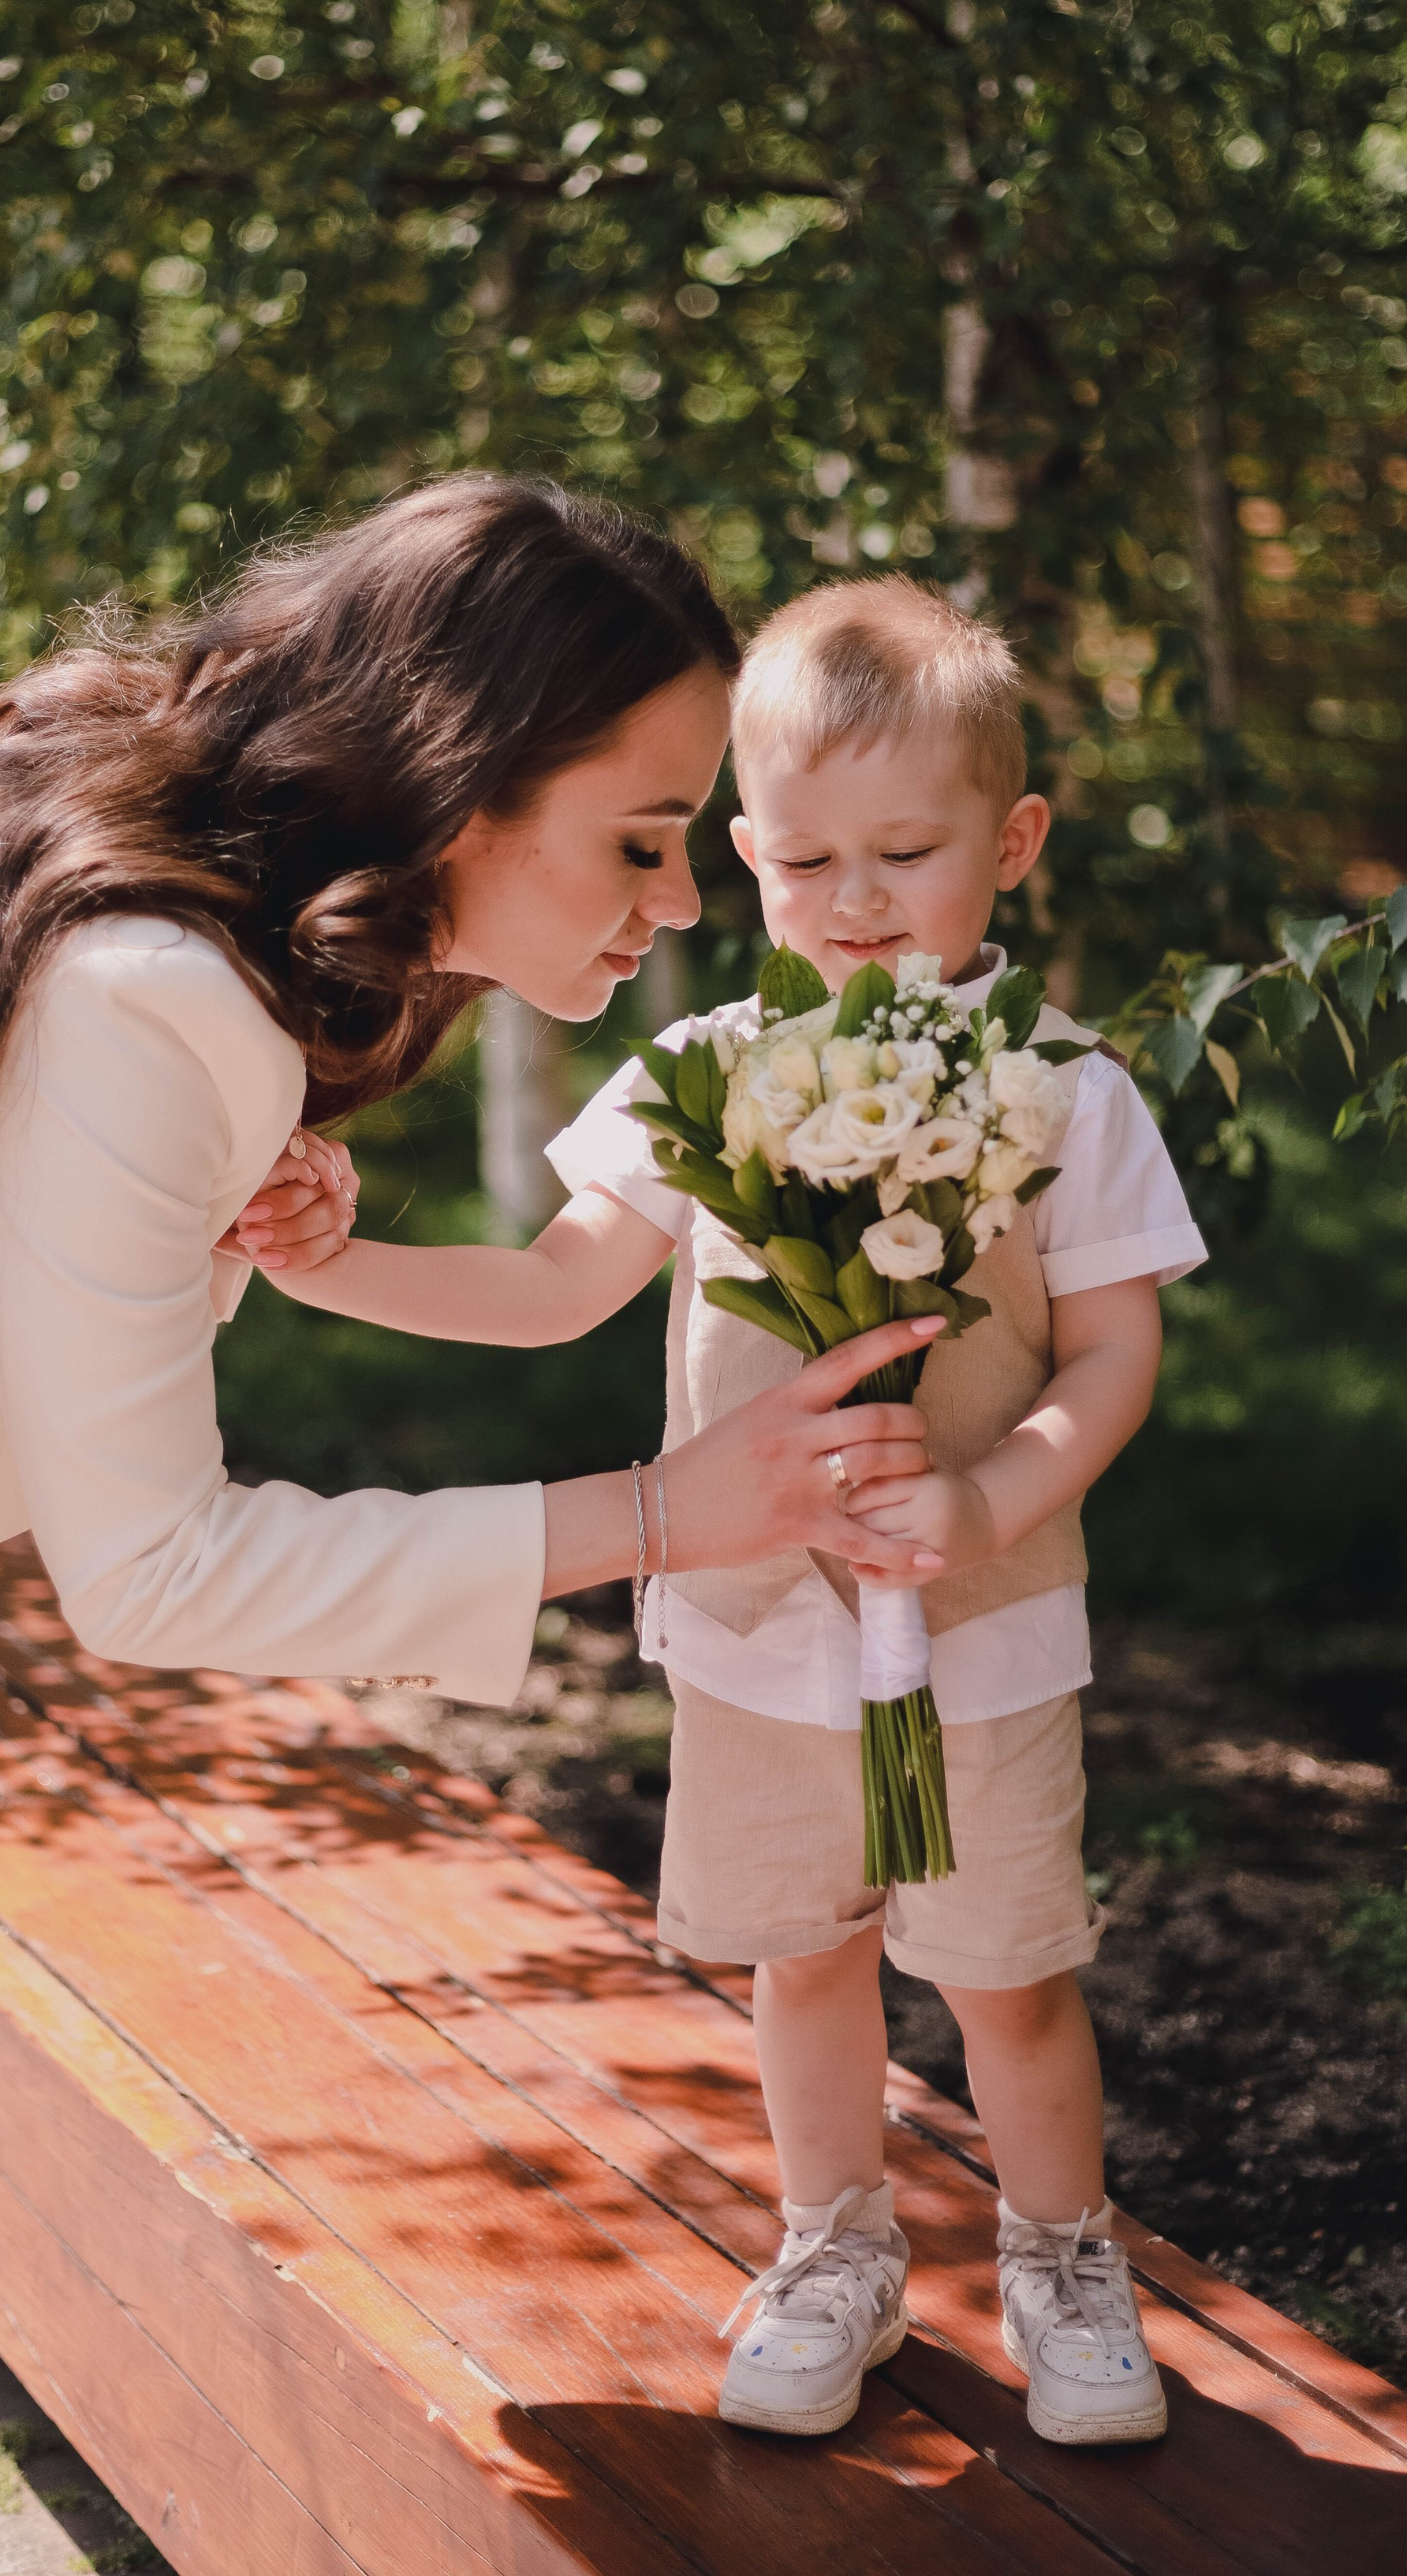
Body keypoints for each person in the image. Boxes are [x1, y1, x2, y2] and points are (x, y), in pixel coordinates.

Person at [0, 479, 947, 2576]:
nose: (685, 900)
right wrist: (658, 1515)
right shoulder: (153, 992)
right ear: (461, 777)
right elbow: (151, 1572)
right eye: (641, 835)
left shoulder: (157, 939)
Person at [235, 574, 1207, 2449]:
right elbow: (550, 1288)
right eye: (805, 863)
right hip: (760, 1638)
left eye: (905, 855)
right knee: (803, 1957)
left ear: (1008, 845)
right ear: (745, 853)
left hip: (984, 1624)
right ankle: (831, 2244)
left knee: (1005, 1975)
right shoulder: (701, 1079)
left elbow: (1108, 1354)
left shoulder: (1063, 1088)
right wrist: (332, 1271)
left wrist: (993, 1488)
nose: (853, 906)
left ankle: (1060, 2250)